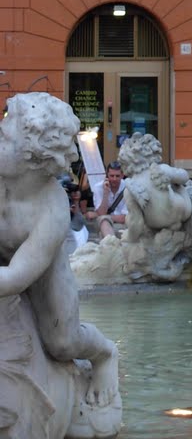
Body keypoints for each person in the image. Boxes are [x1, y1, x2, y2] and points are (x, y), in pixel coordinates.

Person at [0, 93, 119, 404]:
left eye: (3, 136)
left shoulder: (50, 208)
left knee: (63, 342)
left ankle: (105, 353)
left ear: (33, 157)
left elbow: (16, 277)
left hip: (42, 278)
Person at [86, 160, 128, 238]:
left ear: (122, 175)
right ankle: (111, 245)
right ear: (107, 175)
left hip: (124, 225)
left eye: (117, 176)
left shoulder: (128, 187)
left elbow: (124, 218)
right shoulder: (98, 188)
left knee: (103, 218)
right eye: (112, 176)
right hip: (105, 223)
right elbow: (102, 213)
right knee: (103, 220)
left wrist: (98, 215)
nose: (114, 179)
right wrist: (106, 193)